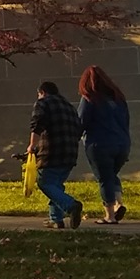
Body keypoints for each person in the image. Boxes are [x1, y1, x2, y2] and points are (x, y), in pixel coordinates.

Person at [77, 65, 132, 224]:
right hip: (122, 144)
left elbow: (81, 121)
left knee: (104, 178)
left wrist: (74, 138)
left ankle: (110, 215)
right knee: (111, 175)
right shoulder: (119, 99)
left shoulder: (90, 98)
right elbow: (126, 121)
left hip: (99, 144)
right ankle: (118, 203)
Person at [27, 79, 84, 229]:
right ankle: (56, 219)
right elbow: (79, 129)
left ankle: (71, 206)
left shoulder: (43, 103)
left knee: (45, 182)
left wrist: (32, 146)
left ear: (42, 92)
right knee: (56, 185)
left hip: (51, 152)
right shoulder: (69, 107)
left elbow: (37, 124)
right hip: (70, 153)